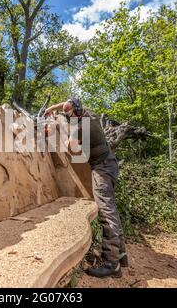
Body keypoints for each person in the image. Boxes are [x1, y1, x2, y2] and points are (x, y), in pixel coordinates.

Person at [45, 98, 128, 278]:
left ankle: (111, 263)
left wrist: (56, 127)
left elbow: (69, 148)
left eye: (68, 115)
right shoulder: (90, 114)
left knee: (106, 212)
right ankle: (121, 255)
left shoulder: (80, 128)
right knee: (111, 208)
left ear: (74, 114)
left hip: (102, 168)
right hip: (109, 164)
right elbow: (66, 104)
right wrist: (50, 110)